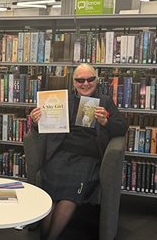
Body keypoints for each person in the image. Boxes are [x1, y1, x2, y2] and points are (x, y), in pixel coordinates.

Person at [29, 63, 128, 240]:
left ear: (96, 81)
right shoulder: (62, 99)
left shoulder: (105, 101)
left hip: (87, 156)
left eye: (90, 79)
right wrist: (36, 122)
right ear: (74, 82)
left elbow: (122, 128)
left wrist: (106, 122)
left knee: (69, 194)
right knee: (49, 192)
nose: (85, 83)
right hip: (61, 153)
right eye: (80, 80)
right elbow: (44, 127)